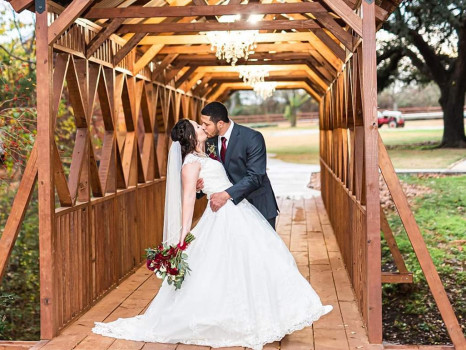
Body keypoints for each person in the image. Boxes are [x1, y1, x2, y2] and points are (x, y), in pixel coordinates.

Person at [92, 119, 333, 350]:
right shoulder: (190, 164)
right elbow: (187, 201)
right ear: (189, 135)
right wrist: (182, 238)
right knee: (228, 267)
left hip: (238, 211)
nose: (202, 127)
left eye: (203, 123)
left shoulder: (204, 155)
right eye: (198, 126)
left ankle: (272, 312)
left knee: (258, 261)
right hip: (221, 216)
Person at [198, 102, 279, 229]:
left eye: (206, 124)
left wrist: (225, 195)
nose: (203, 127)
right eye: (201, 123)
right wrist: (199, 188)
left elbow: (255, 176)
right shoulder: (209, 142)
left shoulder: (252, 138)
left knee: (263, 248)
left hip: (258, 205)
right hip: (229, 212)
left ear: (220, 123)